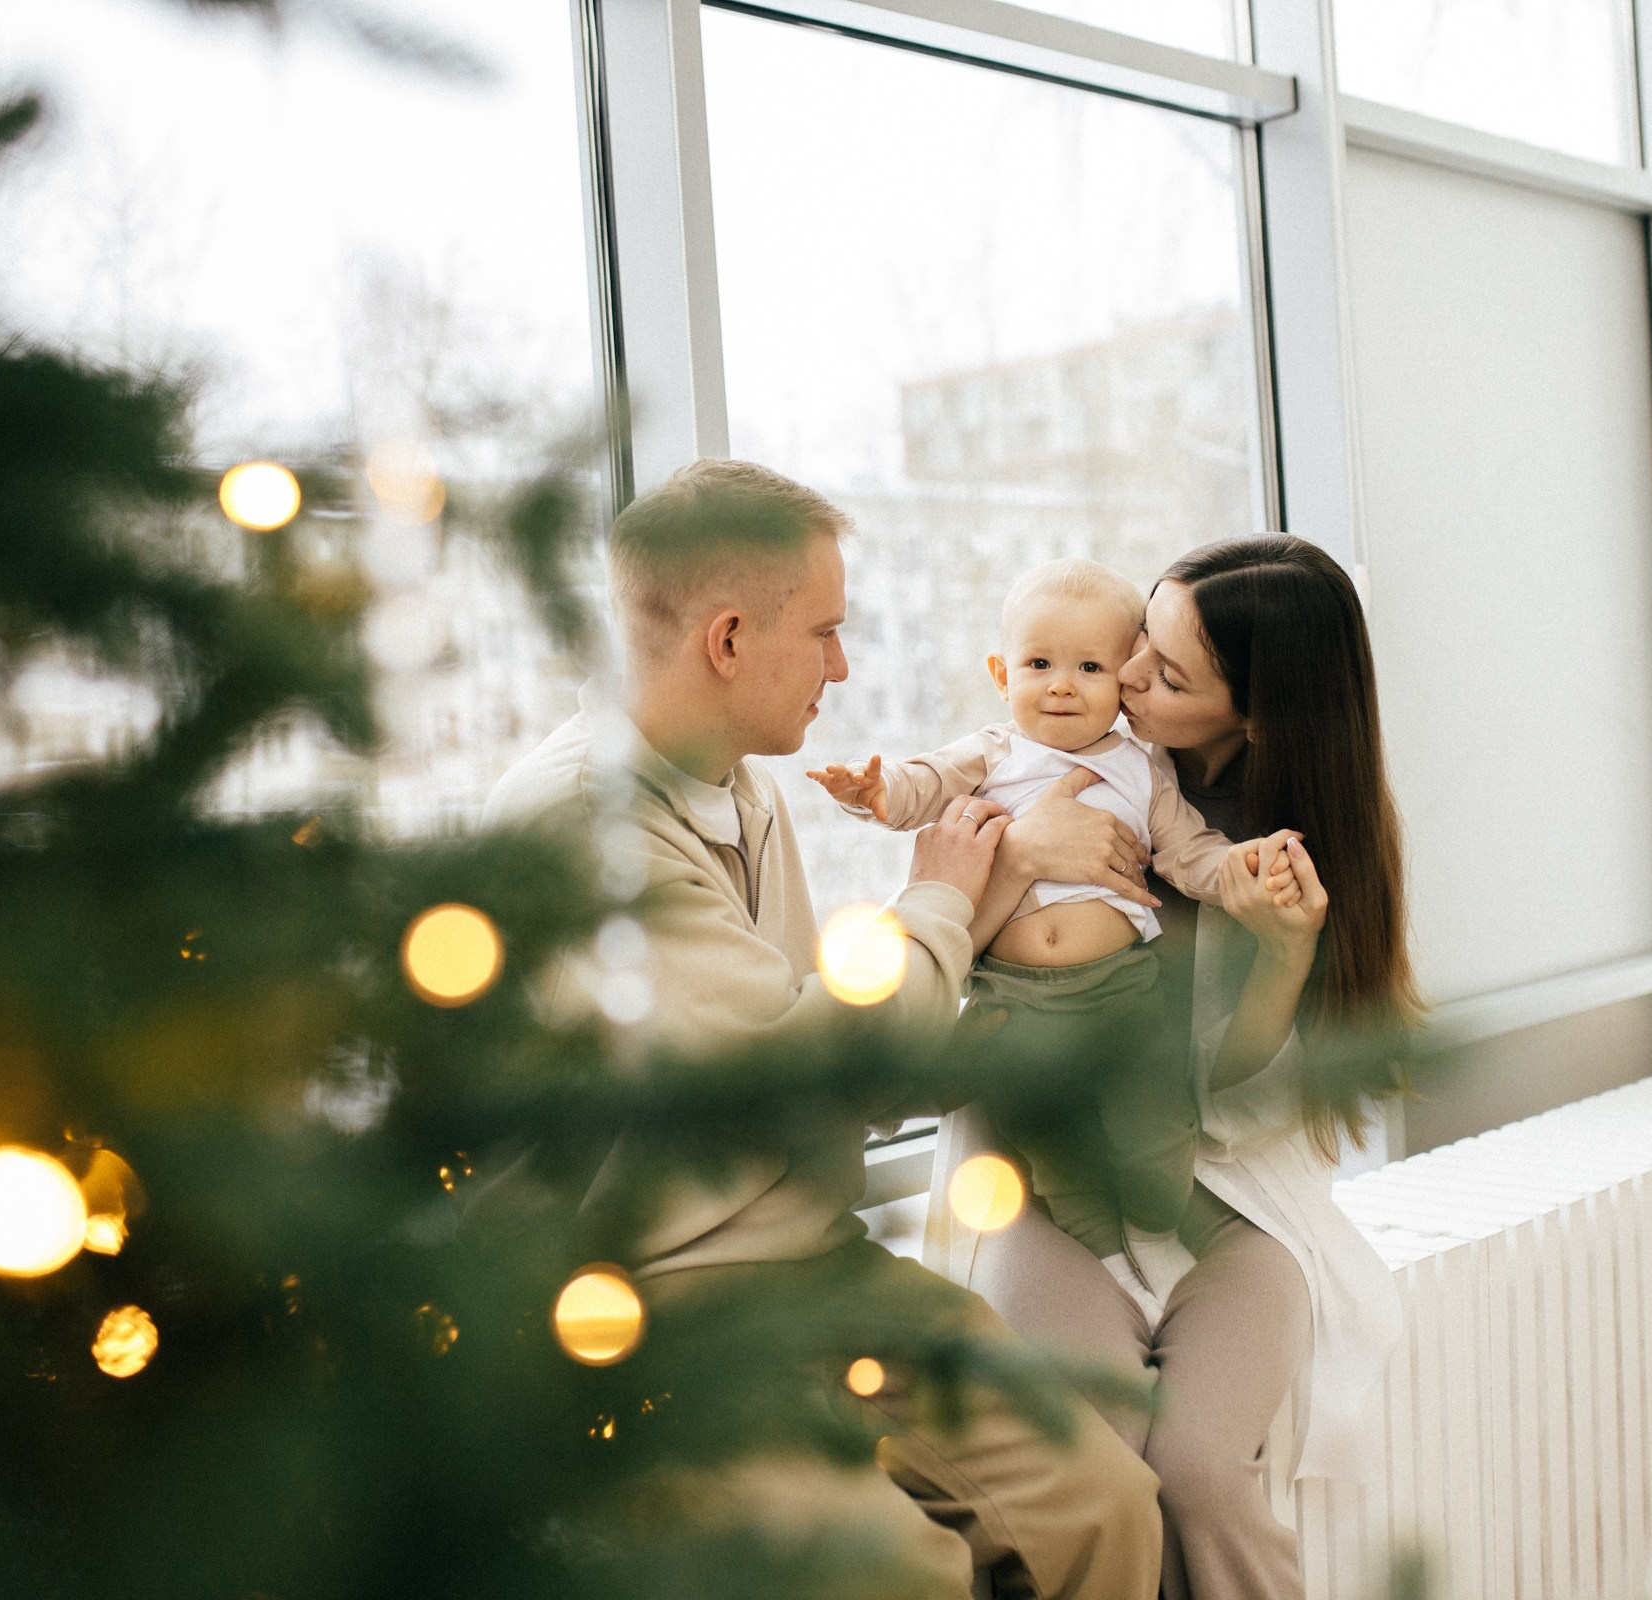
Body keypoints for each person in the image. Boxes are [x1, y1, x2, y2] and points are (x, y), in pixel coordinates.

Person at [484, 459, 1164, 1600]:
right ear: (729, 638)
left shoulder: (737, 786)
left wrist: (995, 872)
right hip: (647, 1313)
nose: (844, 666)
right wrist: (943, 896)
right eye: (828, 632)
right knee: (904, 1577)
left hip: (813, 1264)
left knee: (1105, 1506)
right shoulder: (584, 828)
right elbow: (809, 1067)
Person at [966, 536, 1420, 1600]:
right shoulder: (1054, 772)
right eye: (1139, 645)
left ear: (1253, 717)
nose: (1117, 680)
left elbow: (1241, 1106)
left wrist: (1285, 951)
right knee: (1095, 1466)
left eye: (1161, 675)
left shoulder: (1289, 854)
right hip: (1049, 1175)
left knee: (1203, 1469)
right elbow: (957, 974)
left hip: (1226, 1197)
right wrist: (1026, 856)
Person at [807, 557, 1273, 1326]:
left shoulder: (1143, 769)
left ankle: (1159, 1225)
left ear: (1123, 680)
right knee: (1059, 1157)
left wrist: (1241, 867)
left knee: (1152, 1122)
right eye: (1039, 664)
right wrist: (876, 794)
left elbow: (1190, 854)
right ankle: (1112, 1268)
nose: (1061, 685)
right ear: (1001, 674)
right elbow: (922, 784)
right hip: (1017, 1001)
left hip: (1122, 989)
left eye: (1089, 667)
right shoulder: (993, 752)